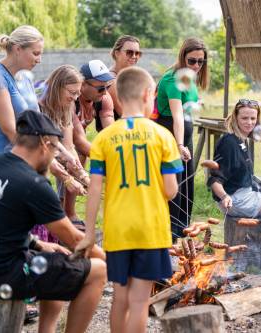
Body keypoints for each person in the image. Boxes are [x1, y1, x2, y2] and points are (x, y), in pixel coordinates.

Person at [0, 110, 106, 333]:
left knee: (56, 257)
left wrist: (37, 244)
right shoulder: (34, 184)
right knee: (98, 270)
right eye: (55, 149)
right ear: (44, 143)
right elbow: (75, 239)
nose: (53, 157)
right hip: (0, 273)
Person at [76, 66, 183, 333]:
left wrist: (89, 234)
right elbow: (171, 191)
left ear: (118, 98)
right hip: (151, 230)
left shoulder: (104, 138)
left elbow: (94, 192)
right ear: (149, 94)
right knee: (139, 301)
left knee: (120, 298)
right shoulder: (163, 136)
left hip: (118, 230)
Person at [156, 37, 209, 237]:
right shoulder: (172, 79)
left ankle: (182, 231)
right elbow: (177, 116)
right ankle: (169, 235)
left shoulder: (190, 78)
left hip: (184, 137)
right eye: (192, 61)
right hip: (171, 135)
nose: (196, 65)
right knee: (174, 187)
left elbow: (187, 105)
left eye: (200, 61)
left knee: (187, 186)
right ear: (182, 57)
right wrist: (178, 145)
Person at [207, 98, 261, 225]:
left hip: (245, 195)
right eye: (244, 118)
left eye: (253, 118)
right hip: (235, 200)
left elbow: (244, 175)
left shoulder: (241, 139)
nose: (249, 123)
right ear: (235, 117)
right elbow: (214, 179)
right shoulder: (228, 142)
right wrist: (224, 196)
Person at [0, 25, 43, 155]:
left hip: (16, 153)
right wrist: (37, 156)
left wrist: (57, 151)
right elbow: (9, 129)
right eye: (36, 53)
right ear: (18, 49)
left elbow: (37, 120)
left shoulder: (24, 77)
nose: (39, 60)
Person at [62, 60, 115, 229]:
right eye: (100, 88)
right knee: (79, 154)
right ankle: (68, 212)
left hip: (70, 138)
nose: (105, 92)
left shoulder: (104, 99)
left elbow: (112, 132)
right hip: (51, 139)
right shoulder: (70, 100)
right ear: (83, 84)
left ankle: (65, 210)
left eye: (107, 86)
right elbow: (78, 140)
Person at [36, 65, 88, 237]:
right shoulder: (37, 104)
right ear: (57, 87)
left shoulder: (68, 105)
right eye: (71, 92)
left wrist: (82, 175)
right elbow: (41, 150)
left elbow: (68, 146)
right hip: (32, 155)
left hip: (52, 149)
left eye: (78, 93)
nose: (75, 97)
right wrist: (67, 180)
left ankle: (60, 222)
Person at [108, 35, 141, 118]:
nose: (134, 56)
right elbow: (124, 113)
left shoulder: (129, 77)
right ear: (117, 53)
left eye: (137, 53)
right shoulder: (111, 80)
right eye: (129, 52)